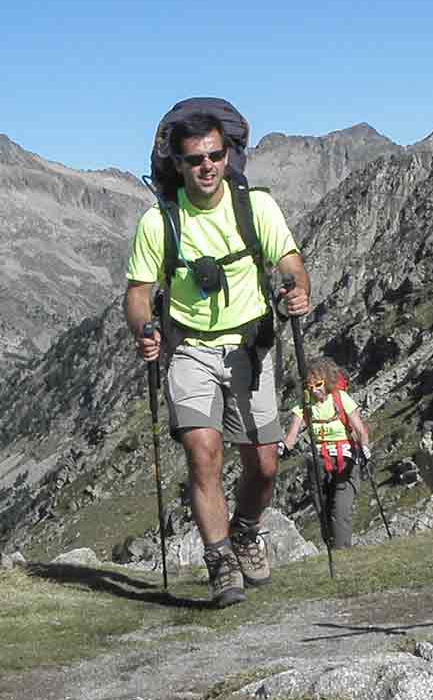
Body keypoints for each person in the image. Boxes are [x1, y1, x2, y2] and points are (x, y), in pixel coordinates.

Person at [125, 99, 311, 607]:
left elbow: (290, 260)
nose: (207, 166)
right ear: (178, 164)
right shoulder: (159, 223)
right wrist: (143, 328)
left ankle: (246, 530)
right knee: (203, 452)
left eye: (215, 155)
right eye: (195, 159)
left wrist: (297, 287)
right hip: (189, 349)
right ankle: (220, 559)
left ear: (228, 154)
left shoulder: (257, 207)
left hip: (251, 347)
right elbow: (139, 292)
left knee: (265, 464)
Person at [280, 358, 373, 549]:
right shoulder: (305, 404)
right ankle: (333, 547)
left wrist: (364, 447)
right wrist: (282, 448)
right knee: (323, 511)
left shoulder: (341, 398)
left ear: (328, 381)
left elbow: (360, 429)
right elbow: (291, 435)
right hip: (319, 463)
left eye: (319, 385)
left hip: (345, 460)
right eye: (310, 386)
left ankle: (341, 554)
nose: (315, 390)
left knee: (340, 510)